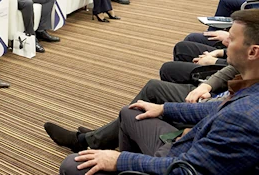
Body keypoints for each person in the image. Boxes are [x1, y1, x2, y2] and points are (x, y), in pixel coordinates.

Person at [58, 9, 259, 175]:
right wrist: (163, 109)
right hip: (184, 146)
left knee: (72, 165)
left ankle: (117, 159)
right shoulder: (250, 91)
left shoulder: (241, 119)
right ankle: (102, 148)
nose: (225, 42)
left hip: (180, 159)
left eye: (232, 39)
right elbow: (216, 108)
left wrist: (121, 160)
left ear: (253, 52)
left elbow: (184, 170)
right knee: (131, 112)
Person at [45, 64, 238, 152]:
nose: (229, 41)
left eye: (233, 39)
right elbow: (233, 68)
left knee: (130, 113)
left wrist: (166, 109)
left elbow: (220, 113)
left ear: (252, 52)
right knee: (153, 87)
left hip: (211, 112)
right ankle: (102, 136)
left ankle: (88, 140)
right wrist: (208, 84)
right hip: (217, 97)